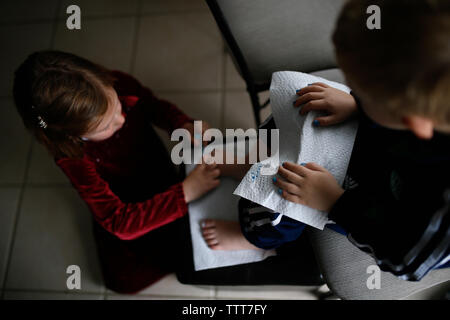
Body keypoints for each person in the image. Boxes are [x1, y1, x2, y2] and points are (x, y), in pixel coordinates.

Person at [201, 0, 450, 281]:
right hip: (391, 152)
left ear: (410, 121)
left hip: (381, 214)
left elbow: (405, 259)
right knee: (302, 111)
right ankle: (259, 162)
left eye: (362, 91)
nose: (348, 86)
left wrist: (333, 201)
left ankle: (258, 240)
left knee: (281, 194)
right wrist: (358, 105)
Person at [12, 50, 221, 293]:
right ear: (72, 135)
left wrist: (182, 123)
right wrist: (184, 194)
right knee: (129, 279)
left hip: (157, 170)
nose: (121, 119)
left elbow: (152, 106)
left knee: (189, 237)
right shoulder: (74, 159)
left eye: (119, 106)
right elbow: (118, 221)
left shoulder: (119, 82)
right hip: (127, 201)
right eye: (106, 125)